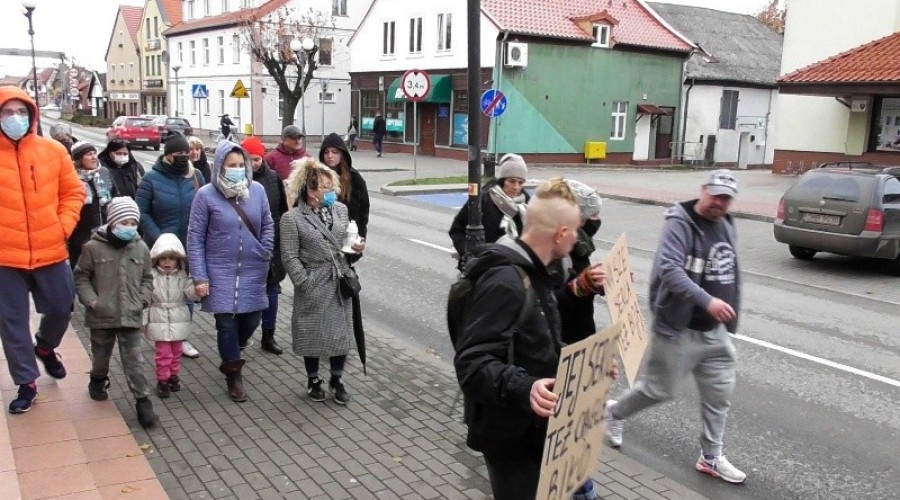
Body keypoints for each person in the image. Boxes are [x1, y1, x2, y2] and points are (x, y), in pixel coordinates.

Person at [605, 169, 746, 484]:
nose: (719, 203)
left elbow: (730, 269)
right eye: (715, 195)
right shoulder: (679, 223)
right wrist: (707, 300)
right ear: (702, 190)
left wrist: (729, 308)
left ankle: (710, 456)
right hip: (678, 329)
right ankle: (614, 413)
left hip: (715, 332)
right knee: (658, 390)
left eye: (726, 198)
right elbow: (669, 269)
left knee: (719, 394)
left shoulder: (726, 224)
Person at [453, 183, 585, 499]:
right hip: (510, 437)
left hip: (531, 430)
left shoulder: (536, 273)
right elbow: (471, 362)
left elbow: (538, 342)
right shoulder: (506, 282)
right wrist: (524, 388)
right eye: (576, 231)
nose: (578, 238)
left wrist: (585, 363)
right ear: (560, 233)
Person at [0, 87, 83, 414]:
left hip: (50, 250)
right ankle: (26, 382)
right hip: (6, 258)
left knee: (62, 307)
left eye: (22, 112)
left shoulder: (54, 151)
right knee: (11, 321)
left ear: (32, 115)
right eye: (8, 112)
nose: (15, 118)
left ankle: (46, 347)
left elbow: (73, 194)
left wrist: (62, 227)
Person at [188, 141, 274, 402]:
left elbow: (268, 224)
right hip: (218, 270)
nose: (237, 170)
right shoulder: (205, 195)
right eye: (231, 166)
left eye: (240, 165)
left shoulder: (257, 191)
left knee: (252, 319)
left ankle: (235, 349)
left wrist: (265, 250)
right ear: (220, 167)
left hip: (252, 270)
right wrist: (200, 277)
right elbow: (195, 237)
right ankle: (233, 373)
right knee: (226, 322)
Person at [281, 158, 366, 405]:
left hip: (339, 280)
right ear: (309, 190)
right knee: (312, 333)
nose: (330, 192)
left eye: (332, 186)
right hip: (313, 281)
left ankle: (337, 379)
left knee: (340, 333)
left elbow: (346, 244)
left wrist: (356, 249)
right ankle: (313, 378)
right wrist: (304, 282)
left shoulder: (340, 210)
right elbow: (289, 255)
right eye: (324, 188)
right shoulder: (293, 218)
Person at [73, 197, 158, 428]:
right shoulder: (92, 247)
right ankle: (98, 378)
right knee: (101, 356)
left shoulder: (141, 248)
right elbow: (81, 276)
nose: (129, 227)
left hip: (131, 313)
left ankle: (143, 401)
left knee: (134, 361)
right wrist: (92, 301)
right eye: (124, 222)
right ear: (112, 222)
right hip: (102, 315)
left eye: (133, 222)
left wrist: (143, 298)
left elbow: (148, 278)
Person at [136, 134, 205, 359]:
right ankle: (159, 333)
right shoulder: (151, 179)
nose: (185, 158)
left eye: (187, 154)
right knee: (164, 293)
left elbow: (206, 208)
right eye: (179, 155)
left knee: (186, 291)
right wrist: (159, 238)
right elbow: (142, 212)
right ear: (167, 155)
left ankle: (181, 337)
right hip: (162, 248)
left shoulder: (196, 176)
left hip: (190, 245)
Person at [243, 136, 288, 355]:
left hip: (272, 246)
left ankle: (268, 336)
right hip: (247, 247)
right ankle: (243, 334)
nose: (254, 164)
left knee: (272, 291)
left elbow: (282, 211)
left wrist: (281, 239)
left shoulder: (273, 178)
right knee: (248, 293)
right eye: (249, 160)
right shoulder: (236, 181)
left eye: (257, 159)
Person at [449, 153, 530, 269]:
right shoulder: (484, 200)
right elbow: (457, 230)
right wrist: (470, 255)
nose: (516, 187)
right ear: (502, 180)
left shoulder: (526, 204)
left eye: (520, 182)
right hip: (483, 268)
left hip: (515, 270)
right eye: (512, 181)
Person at [144, 233, 199, 398]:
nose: (167, 262)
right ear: (156, 259)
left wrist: (197, 291)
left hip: (178, 317)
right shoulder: (151, 276)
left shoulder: (182, 276)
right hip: (158, 317)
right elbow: (145, 299)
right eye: (163, 258)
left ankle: (174, 376)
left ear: (178, 260)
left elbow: (189, 294)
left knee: (176, 351)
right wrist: (143, 320)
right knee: (163, 353)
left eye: (172, 258)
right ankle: (162, 380)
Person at [68, 141, 114, 269]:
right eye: (89, 154)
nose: (94, 157)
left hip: (105, 234)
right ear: (79, 158)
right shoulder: (71, 178)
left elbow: (115, 197)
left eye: (95, 153)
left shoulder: (104, 173)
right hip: (80, 236)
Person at [319, 132, 370, 238]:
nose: (330, 156)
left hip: (349, 232)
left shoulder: (354, 177)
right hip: (323, 235)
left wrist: (360, 236)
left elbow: (363, 209)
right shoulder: (316, 176)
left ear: (341, 154)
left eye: (334, 152)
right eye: (326, 152)